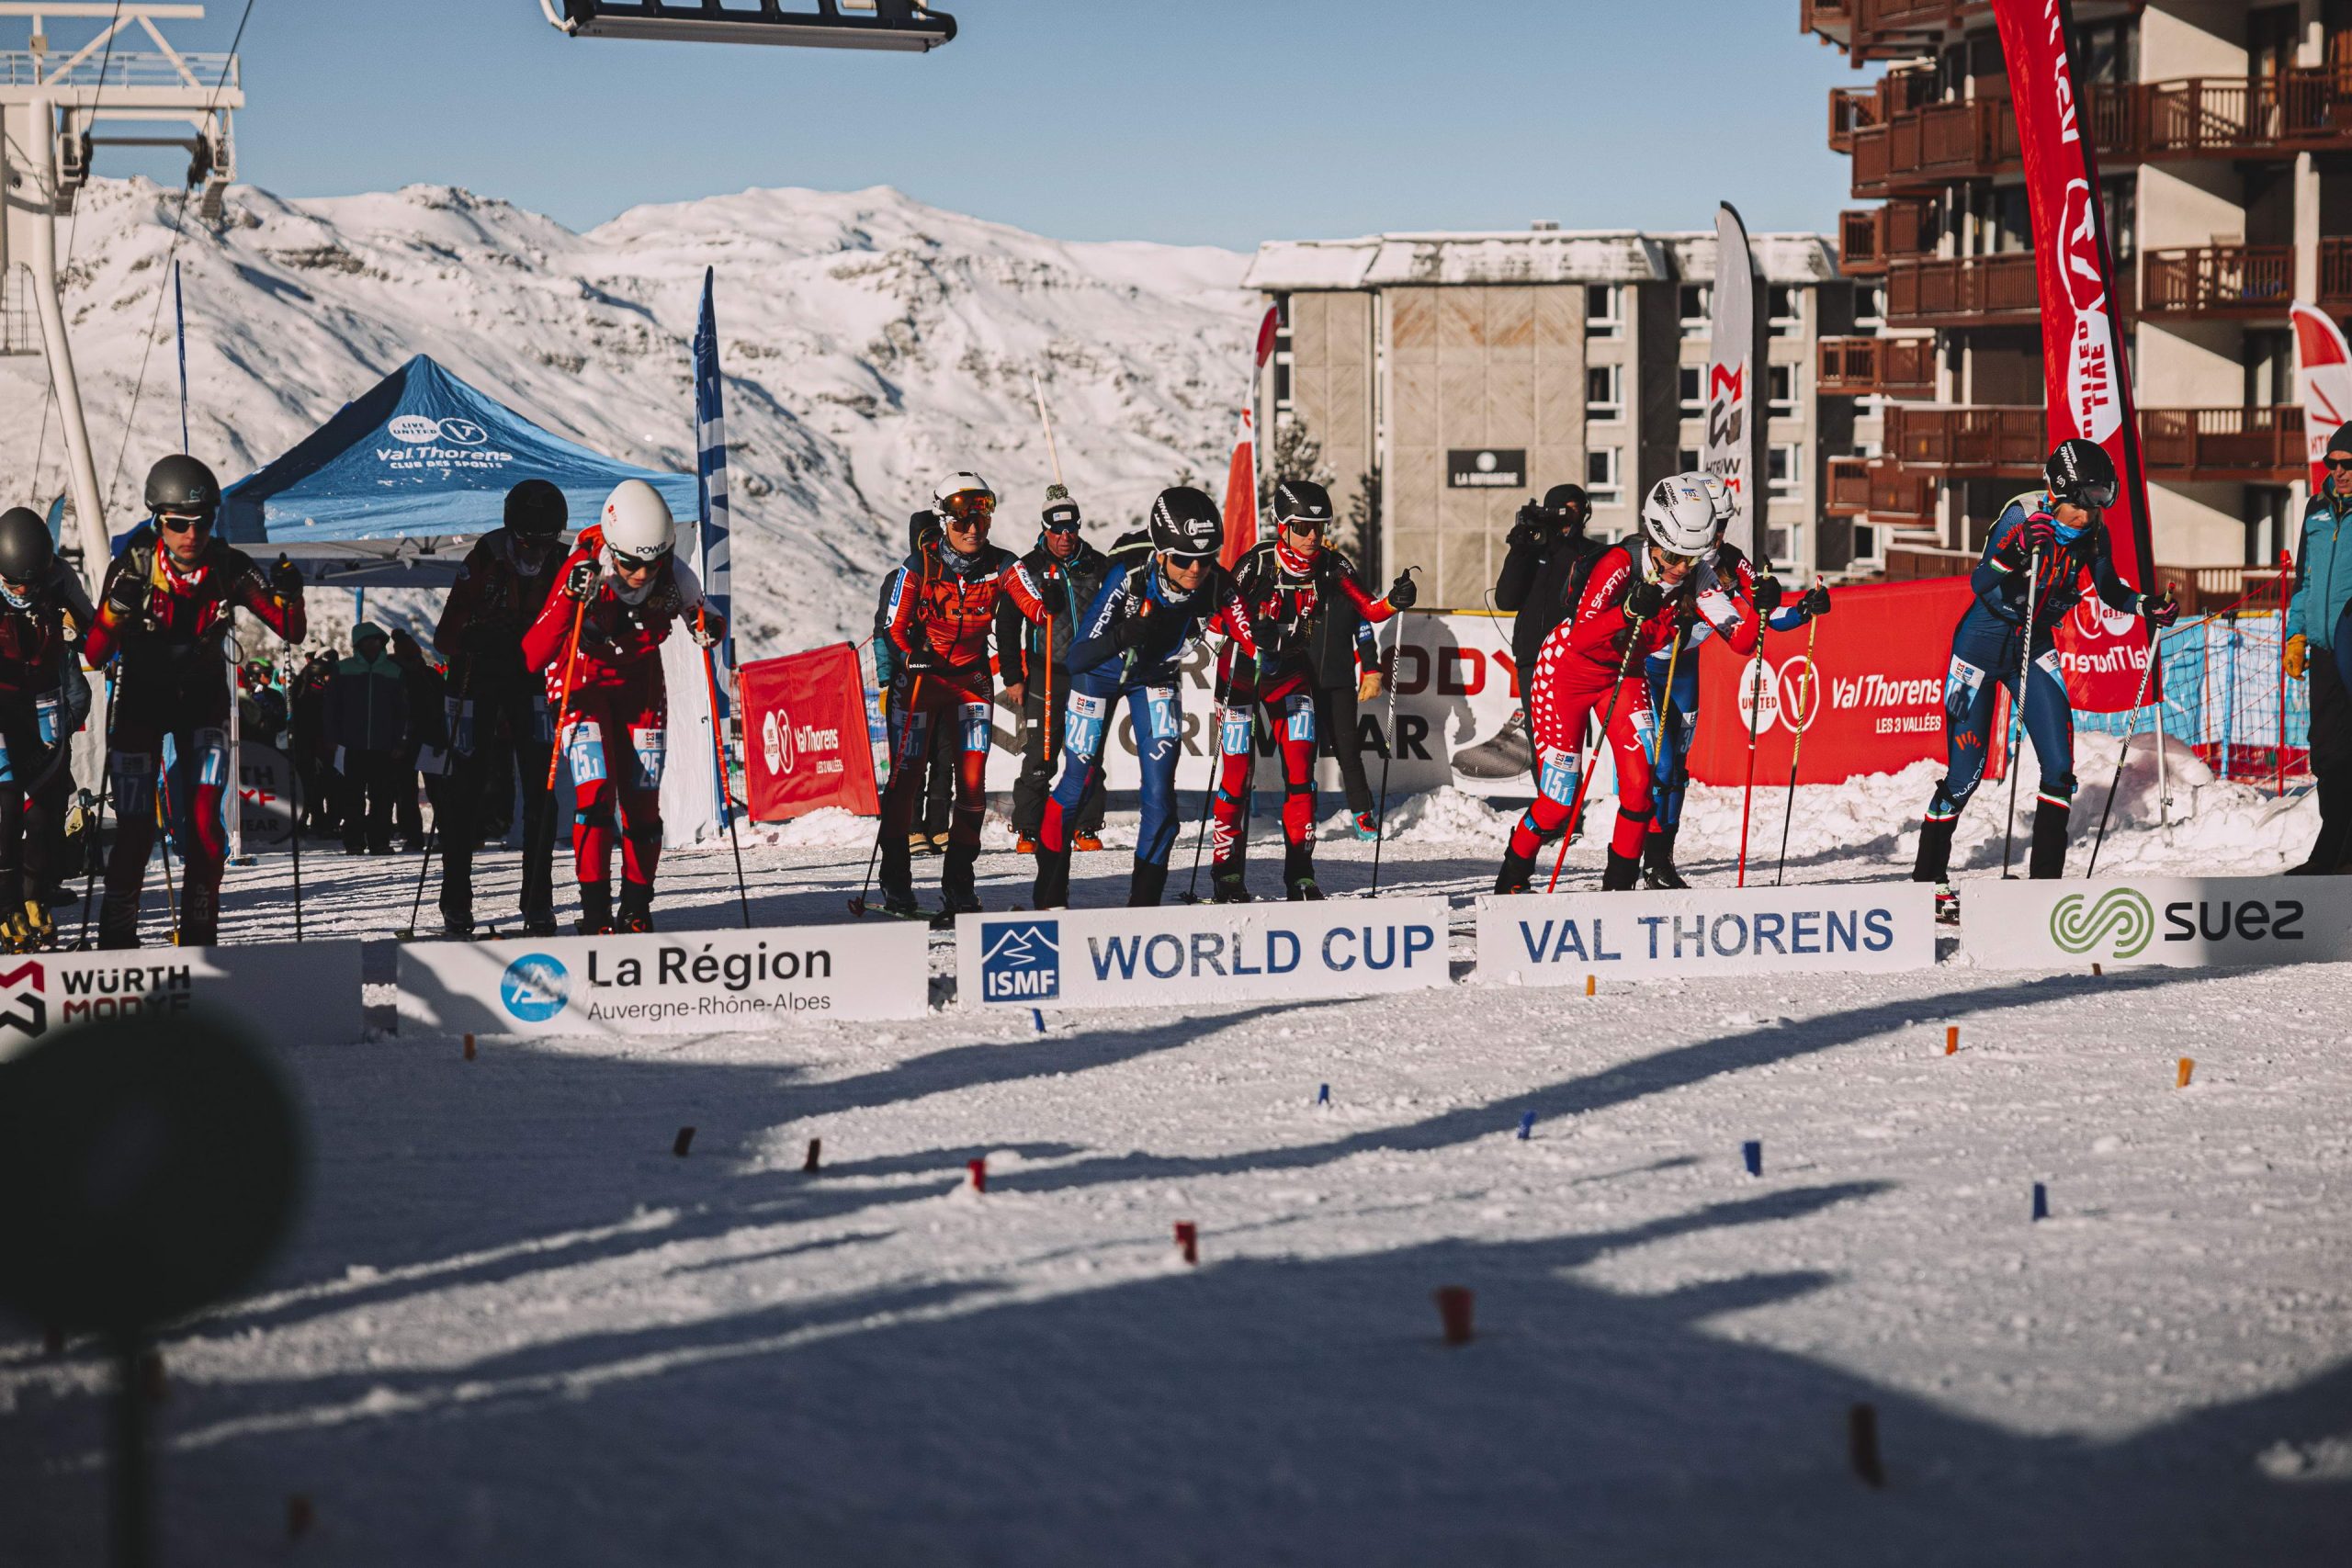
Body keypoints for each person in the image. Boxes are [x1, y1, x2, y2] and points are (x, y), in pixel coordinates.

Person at [1910, 439, 2177, 915]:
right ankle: (1926, 880)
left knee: (2058, 768)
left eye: (2099, 502)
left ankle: (2045, 892)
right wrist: (2013, 554)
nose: (2090, 514)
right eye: (2083, 502)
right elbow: (1979, 582)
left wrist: (2145, 605)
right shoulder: (2023, 518)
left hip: (2034, 648)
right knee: (1965, 774)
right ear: (2058, 493)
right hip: (1979, 649)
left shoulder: (2094, 533)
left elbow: (2110, 588)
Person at [84, 454, 307, 948]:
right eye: (178, 523)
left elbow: (290, 629)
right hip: (141, 706)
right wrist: (114, 612)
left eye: (202, 522)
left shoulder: (229, 565)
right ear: (157, 520)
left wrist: (293, 596)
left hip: (202, 705)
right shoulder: (135, 565)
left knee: (207, 831)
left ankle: (201, 937)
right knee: (136, 832)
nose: (191, 534)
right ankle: (116, 940)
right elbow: (95, 653)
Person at [1031, 486, 1259, 909]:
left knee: (1160, 794)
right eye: (1184, 559)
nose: (1195, 570)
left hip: (1154, 677)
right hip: (1098, 677)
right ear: (1161, 553)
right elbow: (1079, 656)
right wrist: (1121, 634)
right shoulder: (1130, 575)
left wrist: (1265, 642)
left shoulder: (1216, 584)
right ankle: (1049, 897)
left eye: (1206, 560)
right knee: (1076, 781)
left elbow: (1255, 639)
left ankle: (1144, 906)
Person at [1495, 474, 1718, 895]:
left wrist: (1771, 609)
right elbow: (1582, 636)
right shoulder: (1619, 562)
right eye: (1675, 557)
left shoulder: (1693, 576)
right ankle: (1512, 878)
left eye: (1690, 559)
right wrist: (1629, 610)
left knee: (1640, 787)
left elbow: (1738, 632)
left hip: (1622, 673)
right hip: (1565, 673)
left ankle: (1618, 890)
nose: (1681, 569)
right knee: (1558, 804)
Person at [522, 479, 722, 935]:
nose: (642, 574)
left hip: (641, 686)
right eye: (632, 563)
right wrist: (571, 599)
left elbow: (705, 614)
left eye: (654, 562)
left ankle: (636, 907)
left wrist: (708, 627)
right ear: (613, 549)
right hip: (580, 685)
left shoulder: (671, 573)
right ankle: (594, 914)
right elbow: (533, 654)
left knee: (643, 803)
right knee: (595, 795)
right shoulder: (584, 565)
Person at [1207, 479, 1413, 900]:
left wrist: (1396, 599)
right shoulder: (1259, 562)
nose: (1312, 537)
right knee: (1235, 774)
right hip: (1241, 676)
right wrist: (1249, 629)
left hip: (1290, 674)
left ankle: (1301, 875)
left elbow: (1370, 610)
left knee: (1302, 773)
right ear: (1281, 525)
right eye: (1302, 527)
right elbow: (1215, 620)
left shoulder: (1331, 564)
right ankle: (1227, 875)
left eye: (1320, 527)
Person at [1639, 488, 1832, 889]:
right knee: (1658, 769)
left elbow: (1764, 618)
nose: (1719, 536)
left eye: (1723, 526)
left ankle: (1663, 862)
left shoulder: (1726, 561)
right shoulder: (1670, 558)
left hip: (1686, 667)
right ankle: (1641, 859)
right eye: (1714, 527)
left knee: (1677, 769)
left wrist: (1803, 609)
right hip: (1650, 668)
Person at [875, 472, 1046, 919]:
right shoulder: (920, 566)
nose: (973, 530)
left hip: (971, 683)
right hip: (921, 683)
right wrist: (910, 656)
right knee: (904, 781)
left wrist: (1050, 609)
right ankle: (896, 883)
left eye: (982, 522)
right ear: (944, 521)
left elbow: (1031, 600)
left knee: (971, 787)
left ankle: (960, 886)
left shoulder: (1002, 563)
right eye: (962, 523)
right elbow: (892, 627)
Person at [434, 479, 569, 936]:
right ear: (512, 531)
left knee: (541, 794)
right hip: (479, 675)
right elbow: (444, 638)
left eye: (545, 544)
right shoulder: (484, 559)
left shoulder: (566, 563)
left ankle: (538, 902)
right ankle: (456, 901)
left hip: (532, 677)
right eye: (528, 543)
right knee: (464, 790)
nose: (535, 554)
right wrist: (475, 636)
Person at [997, 485, 1111, 854]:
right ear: (1044, 529)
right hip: (1047, 672)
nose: (1065, 538)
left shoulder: (1097, 564)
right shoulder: (1028, 568)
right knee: (1041, 753)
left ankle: (1086, 825)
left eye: (1071, 530)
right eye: (1057, 530)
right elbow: (1008, 625)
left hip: (1090, 674)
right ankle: (1029, 828)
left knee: (1087, 751)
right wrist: (1012, 676)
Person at [0, 508, 92, 950]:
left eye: (31, 584)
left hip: (45, 705)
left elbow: (98, 639)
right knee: (6, 812)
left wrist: (84, 632)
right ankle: (5, 907)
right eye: (14, 584)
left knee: (46, 814)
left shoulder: (59, 579)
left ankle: (36, 900)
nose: (23, 592)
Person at [1470, 483, 1601, 787]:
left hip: (1574, 657)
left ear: (1584, 513)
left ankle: (1569, 814)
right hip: (1532, 656)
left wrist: (1561, 543)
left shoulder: (1591, 553)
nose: (1567, 517)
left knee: (1568, 739)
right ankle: (1548, 808)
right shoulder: (1533, 549)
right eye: (1560, 510)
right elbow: (1506, 599)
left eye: (1574, 510)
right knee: (1539, 736)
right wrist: (1520, 549)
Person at [2284, 420, 2352, 875]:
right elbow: (2304, 581)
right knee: (2327, 753)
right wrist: (2297, 633)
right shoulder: (2316, 508)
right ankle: (2333, 855)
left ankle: (2335, 856)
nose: (2339, 472)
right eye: (2333, 464)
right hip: (2326, 654)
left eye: (2348, 465)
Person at [327, 622, 413, 856]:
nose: (374, 645)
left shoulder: (394, 671)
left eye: (378, 641)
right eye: (369, 640)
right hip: (351, 746)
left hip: (384, 747)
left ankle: (379, 842)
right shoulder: (343, 669)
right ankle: (353, 841)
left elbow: (404, 712)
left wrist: (400, 742)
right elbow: (331, 708)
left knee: (383, 798)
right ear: (359, 643)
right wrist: (332, 738)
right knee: (352, 797)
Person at [288, 649, 341, 838]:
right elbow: (312, 723)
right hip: (314, 746)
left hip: (318, 745)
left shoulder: (309, 691)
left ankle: (322, 821)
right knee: (318, 786)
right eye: (326, 676)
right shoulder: (309, 695)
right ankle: (318, 821)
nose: (329, 680)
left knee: (323, 786)